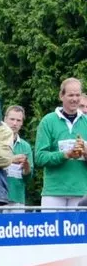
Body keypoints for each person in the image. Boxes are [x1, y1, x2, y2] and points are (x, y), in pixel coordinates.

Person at [33, 78, 87, 207]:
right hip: (53, 192)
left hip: (81, 192)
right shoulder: (48, 121)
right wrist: (66, 154)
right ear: (61, 96)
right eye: (70, 95)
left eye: (77, 95)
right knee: (51, 227)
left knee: (80, 228)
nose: (74, 99)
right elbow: (40, 158)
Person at [4, 106, 34, 205]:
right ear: (5, 119)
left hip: (18, 198)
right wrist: (11, 160)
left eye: (18, 120)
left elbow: (28, 178)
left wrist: (27, 167)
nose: (14, 123)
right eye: (12, 119)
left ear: (22, 123)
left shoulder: (25, 146)